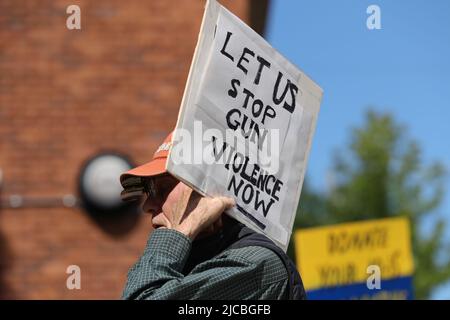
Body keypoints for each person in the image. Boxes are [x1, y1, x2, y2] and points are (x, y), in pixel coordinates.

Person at [119, 131, 306, 300]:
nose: (147, 205)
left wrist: (175, 237)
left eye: (163, 187)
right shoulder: (194, 261)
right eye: (148, 190)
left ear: (208, 191)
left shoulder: (253, 264)